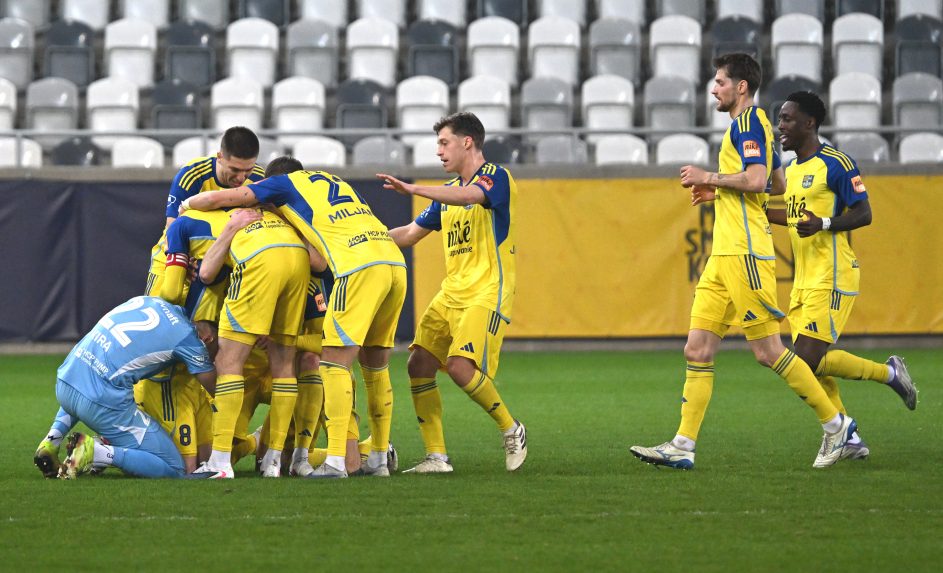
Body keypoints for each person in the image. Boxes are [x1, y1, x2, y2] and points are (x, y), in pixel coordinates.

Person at [630, 53, 858, 470]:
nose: (713, 88)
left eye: (719, 82)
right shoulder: (748, 128)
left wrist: (709, 178)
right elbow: (775, 184)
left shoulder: (750, 122)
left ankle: (836, 425)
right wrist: (721, 195)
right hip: (724, 253)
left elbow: (755, 181)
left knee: (769, 351)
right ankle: (683, 444)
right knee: (697, 348)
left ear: (741, 87)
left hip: (745, 252)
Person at [180, 156, 406, 478]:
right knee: (374, 367)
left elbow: (219, 200)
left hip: (355, 269)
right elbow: (321, 257)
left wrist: (186, 204)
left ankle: (333, 463)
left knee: (328, 363)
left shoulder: (283, 187)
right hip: (393, 263)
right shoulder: (338, 185)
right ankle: (377, 457)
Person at [768, 90, 918, 458]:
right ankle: (849, 438)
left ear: (810, 123)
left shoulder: (836, 163)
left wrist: (823, 222)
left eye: (787, 119)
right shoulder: (792, 170)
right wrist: (738, 203)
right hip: (804, 280)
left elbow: (864, 213)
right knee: (813, 368)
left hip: (832, 275)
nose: (780, 126)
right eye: (780, 119)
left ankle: (887, 376)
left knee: (802, 362)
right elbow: (792, 218)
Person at [377, 111, 527, 473]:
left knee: (460, 367)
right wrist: (365, 239)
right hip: (452, 293)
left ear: (467, 142)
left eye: (444, 143)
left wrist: (413, 189)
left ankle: (512, 429)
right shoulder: (446, 197)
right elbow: (411, 234)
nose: (439, 151)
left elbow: (471, 195)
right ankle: (437, 457)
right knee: (419, 364)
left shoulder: (496, 177)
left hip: (486, 292)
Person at [33, 296, 215, 479]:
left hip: (66, 381)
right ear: (208, 339)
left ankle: (51, 441)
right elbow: (216, 389)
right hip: (99, 402)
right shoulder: (190, 340)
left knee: (86, 376)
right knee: (174, 466)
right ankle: (96, 452)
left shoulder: (149, 301)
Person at [189, 206, 310, 479]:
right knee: (284, 363)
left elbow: (206, 274)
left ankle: (219, 463)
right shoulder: (286, 219)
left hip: (259, 261)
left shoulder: (221, 221)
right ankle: (273, 461)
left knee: (228, 360)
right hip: (298, 258)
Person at [145, 126, 266, 297]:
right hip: (173, 259)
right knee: (158, 316)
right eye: (235, 170)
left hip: (216, 266)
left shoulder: (259, 179)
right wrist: (182, 263)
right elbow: (172, 228)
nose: (241, 177)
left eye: (248, 170)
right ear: (220, 157)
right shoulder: (192, 174)